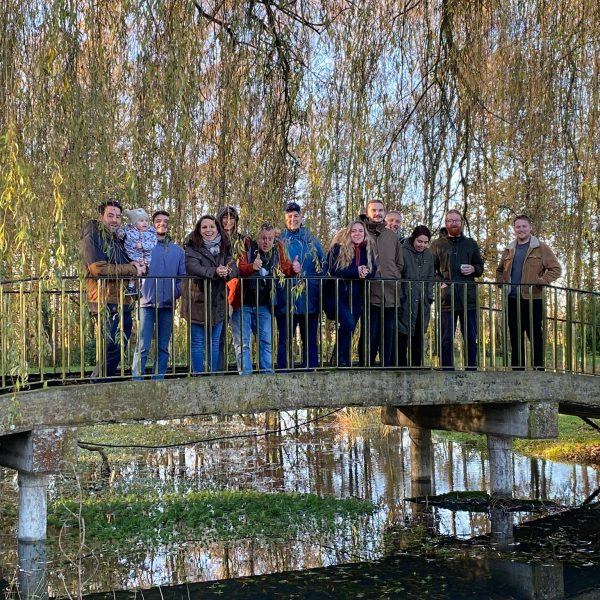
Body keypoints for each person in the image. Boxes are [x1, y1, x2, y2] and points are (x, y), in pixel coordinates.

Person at [80, 199, 144, 379]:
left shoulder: (117, 239)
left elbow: (122, 262)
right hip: (105, 298)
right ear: (101, 216)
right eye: (110, 216)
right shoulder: (93, 236)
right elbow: (98, 268)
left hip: (122, 298)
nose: (115, 220)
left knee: (119, 342)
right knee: (112, 344)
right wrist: (132, 270)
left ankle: (102, 380)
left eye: (118, 216)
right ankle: (99, 382)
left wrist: (136, 264)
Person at [230, 223, 298, 374]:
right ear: (257, 237)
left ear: (274, 239)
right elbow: (237, 268)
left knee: (266, 341)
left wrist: (294, 269)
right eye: (263, 238)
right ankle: (245, 377)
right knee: (243, 343)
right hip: (243, 302)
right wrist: (252, 267)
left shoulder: (278, 249)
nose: (266, 242)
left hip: (264, 303)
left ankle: (266, 375)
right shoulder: (246, 246)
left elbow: (285, 268)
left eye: (270, 238)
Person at [495, 214, 561, 369]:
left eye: (524, 226)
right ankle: (517, 371)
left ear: (530, 227)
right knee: (515, 337)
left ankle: (538, 370)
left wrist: (542, 281)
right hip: (511, 299)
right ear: (514, 229)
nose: (521, 229)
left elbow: (556, 269)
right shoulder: (509, 249)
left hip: (532, 299)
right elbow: (499, 270)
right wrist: (501, 283)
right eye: (518, 227)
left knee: (535, 336)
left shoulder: (541, 248)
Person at [132, 210, 186, 380]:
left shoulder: (177, 251)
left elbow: (183, 278)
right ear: (153, 223)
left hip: (167, 304)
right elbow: (134, 270)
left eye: (166, 221)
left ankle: (159, 380)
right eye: (158, 221)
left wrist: (174, 292)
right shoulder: (142, 248)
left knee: (163, 346)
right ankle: (136, 381)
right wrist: (140, 291)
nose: (162, 223)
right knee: (143, 345)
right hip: (146, 303)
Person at [181, 215, 238, 373]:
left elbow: (234, 267)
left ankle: (212, 376)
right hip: (197, 301)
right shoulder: (192, 246)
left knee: (214, 342)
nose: (208, 230)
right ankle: (198, 376)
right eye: (204, 227)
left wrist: (227, 271)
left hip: (218, 301)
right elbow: (193, 267)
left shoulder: (225, 246)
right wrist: (214, 271)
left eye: (212, 226)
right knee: (198, 343)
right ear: (199, 230)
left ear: (217, 229)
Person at [430, 209, 484, 369]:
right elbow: (430, 271)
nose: (454, 223)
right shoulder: (437, 245)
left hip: (468, 299)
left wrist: (473, 269)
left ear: (461, 223)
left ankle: (471, 369)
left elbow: (480, 267)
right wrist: (440, 281)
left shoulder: (471, 243)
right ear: (446, 223)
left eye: (457, 220)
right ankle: (446, 369)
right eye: (450, 220)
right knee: (446, 338)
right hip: (447, 299)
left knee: (471, 337)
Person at [275, 202, 325, 370]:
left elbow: (323, 265)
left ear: (301, 217)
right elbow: (274, 267)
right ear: (285, 218)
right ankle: (283, 371)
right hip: (286, 299)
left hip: (310, 298)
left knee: (310, 339)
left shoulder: (312, 241)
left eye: (296, 216)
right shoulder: (279, 241)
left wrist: (317, 285)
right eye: (289, 216)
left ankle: (311, 371)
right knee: (284, 339)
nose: (293, 219)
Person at [325, 221, 377, 367]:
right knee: (348, 322)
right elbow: (333, 269)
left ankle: (342, 360)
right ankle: (340, 359)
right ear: (349, 233)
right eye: (354, 231)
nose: (357, 233)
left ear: (365, 233)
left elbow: (373, 270)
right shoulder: (337, 248)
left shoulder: (368, 249)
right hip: (337, 295)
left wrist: (366, 273)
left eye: (360, 231)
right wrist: (356, 272)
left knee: (350, 328)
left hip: (356, 297)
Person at [361, 200, 404, 367]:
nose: (377, 213)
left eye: (380, 210)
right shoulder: (361, 232)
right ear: (368, 212)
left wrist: (393, 275)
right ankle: (367, 366)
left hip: (391, 293)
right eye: (374, 210)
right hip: (369, 293)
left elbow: (399, 263)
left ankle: (386, 367)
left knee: (388, 334)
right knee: (370, 333)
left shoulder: (391, 236)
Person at [216, 205, 250, 371]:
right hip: (218, 294)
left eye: (232, 218)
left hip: (238, 296)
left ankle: (244, 374)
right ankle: (218, 373)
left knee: (241, 339)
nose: (228, 221)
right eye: (225, 217)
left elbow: (246, 264)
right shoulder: (214, 239)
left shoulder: (243, 240)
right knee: (218, 339)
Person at [398, 226, 435, 367]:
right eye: (420, 241)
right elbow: (398, 274)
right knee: (402, 335)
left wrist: (429, 296)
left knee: (418, 335)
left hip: (422, 301)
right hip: (405, 300)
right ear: (413, 239)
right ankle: (400, 367)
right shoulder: (402, 251)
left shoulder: (428, 255)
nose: (422, 245)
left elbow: (431, 276)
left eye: (425, 242)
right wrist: (401, 295)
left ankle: (416, 367)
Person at [118, 208, 158, 295]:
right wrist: (120, 233)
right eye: (141, 221)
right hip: (133, 256)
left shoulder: (150, 232)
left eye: (146, 220)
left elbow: (153, 244)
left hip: (146, 259)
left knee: (143, 272)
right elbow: (121, 230)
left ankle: (140, 289)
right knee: (135, 271)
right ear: (134, 222)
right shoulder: (129, 230)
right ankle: (131, 287)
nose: (145, 223)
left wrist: (143, 245)